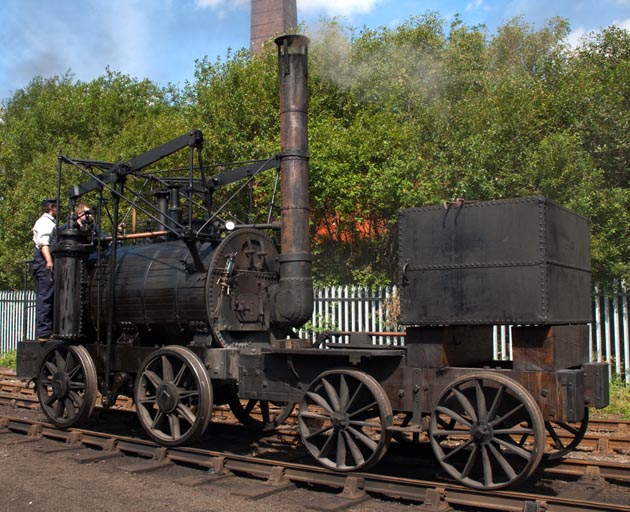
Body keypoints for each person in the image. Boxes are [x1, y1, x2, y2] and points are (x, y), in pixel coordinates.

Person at [32, 198, 58, 341]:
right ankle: (44, 333)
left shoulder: (50, 222)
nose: (59, 209)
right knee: (46, 296)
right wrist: (49, 261)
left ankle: (48, 330)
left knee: (49, 296)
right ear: (51, 207)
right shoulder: (45, 222)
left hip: (45, 261)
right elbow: (44, 244)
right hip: (43, 262)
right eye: (57, 206)